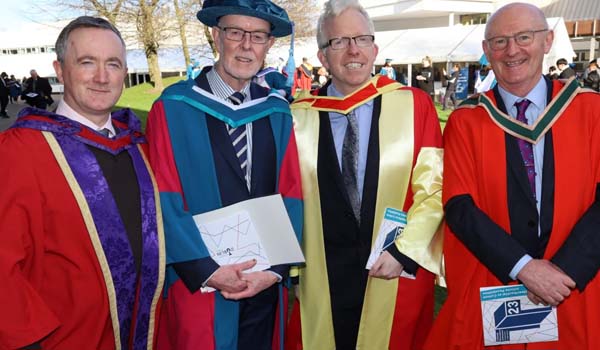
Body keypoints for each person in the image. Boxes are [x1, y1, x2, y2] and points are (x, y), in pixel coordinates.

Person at [425, 3, 600, 349]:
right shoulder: (467, 120)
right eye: (500, 41)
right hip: (496, 282)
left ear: (547, 41)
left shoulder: (590, 110)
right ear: (487, 51)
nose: (512, 50)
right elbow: (459, 206)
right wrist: (524, 269)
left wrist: (562, 273)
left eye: (524, 37)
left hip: (575, 287)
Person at [145, 1, 302, 349]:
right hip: (200, 282)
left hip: (263, 283)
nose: (247, 45)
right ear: (217, 36)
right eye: (236, 32)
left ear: (269, 44)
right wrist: (207, 270)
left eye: (258, 35)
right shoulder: (173, 108)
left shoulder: (276, 112)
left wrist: (274, 270)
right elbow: (162, 198)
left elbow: (290, 193)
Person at [0, 16, 164, 349]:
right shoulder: (21, 150)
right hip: (64, 339)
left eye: (113, 64)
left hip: (145, 335)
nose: (102, 78)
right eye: (87, 62)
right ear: (60, 70)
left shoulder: (139, 147)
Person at [287, 1, 444, 349]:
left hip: (395, 265)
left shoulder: (414, 105)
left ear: (374, 48)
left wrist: (403, 251)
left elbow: (434, 189)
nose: (353, 49)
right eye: (338, 42)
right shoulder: (296, 118)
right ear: (323, 56)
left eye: (361, 38)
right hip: (321, 273)